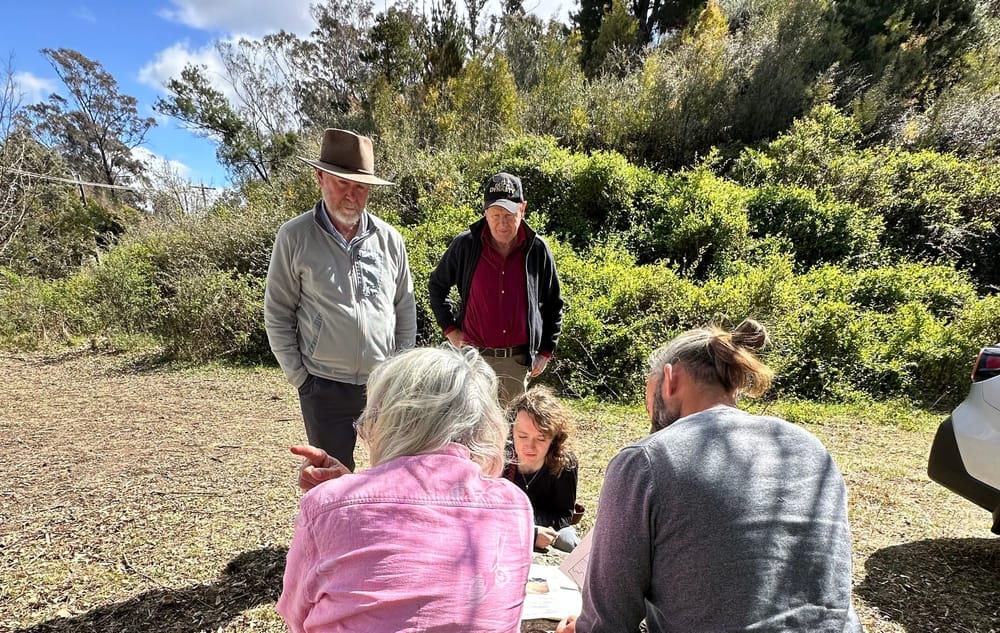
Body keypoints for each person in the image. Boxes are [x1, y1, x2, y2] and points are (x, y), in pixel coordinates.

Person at [557, 319, 862, 633]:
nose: (650, 416)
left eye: (648, 400)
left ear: (669, 380)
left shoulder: (645, 460)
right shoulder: (810, 446)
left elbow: (607, 626)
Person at [276, 346, 535, 633]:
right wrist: (350, 493)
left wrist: (343, 501)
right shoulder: (514, 505)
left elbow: (297, 619)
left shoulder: (325, 506)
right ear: (484, 423)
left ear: (388, 419)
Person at [264, 128, 416, 472]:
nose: (352, 194)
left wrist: (399, 373)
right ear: (320, 177)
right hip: (323, 386)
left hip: (382, 385)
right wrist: (301, 378)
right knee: (332, 481)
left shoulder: (390, 239)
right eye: (341, 183)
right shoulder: (294, 236)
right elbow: (278, 311)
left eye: (360, 186)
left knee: (393, 474)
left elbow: (404, 306)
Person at [428, 171, 564, 406]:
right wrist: (450, 330)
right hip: (472, 360)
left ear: (522, 209)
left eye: (509, 215)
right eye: (496, 214)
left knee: (511, 436)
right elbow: (437, 286)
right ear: (485, 212)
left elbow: (554, 303)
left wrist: (545, 351)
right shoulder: (466, 246)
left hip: (516, 363)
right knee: (471, 431)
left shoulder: (537, 249)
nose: (502, 223)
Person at [503, 386, 581, 553]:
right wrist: (530, 531)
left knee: (569, 542)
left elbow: (564, 516)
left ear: (554, 439)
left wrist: (536, 526)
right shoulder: (499, 457)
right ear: (511, 432)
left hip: (547, 528)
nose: (530, 446)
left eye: (540, 438)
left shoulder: (565, 463)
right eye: (522, 436)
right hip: (503, 526)